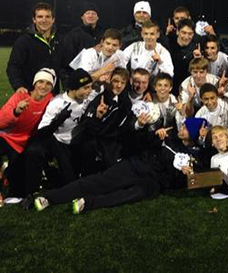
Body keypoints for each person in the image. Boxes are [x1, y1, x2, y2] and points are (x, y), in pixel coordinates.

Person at [33, 122, 200, 214]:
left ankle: (88, 203)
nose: (182, 127)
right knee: (99, 182)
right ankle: (49, 198)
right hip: (136, 165)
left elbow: (180, 183)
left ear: (193, 133)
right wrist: (155, 137)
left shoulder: (195, 155)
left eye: (186, 127)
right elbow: (140, 144)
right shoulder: (168, 136)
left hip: (153, 182)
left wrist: (184, 175)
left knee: (129, 195)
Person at [17, 69, 95, 199]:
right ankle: (34, 187)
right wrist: (58, 120)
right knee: (34, 151)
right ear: (74, 88)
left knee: (72, 180)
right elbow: (42, 133)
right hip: (58, 142)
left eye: (91, 87)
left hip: (76, 142)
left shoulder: (88, 99)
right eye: (86, 88)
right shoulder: (57, 103)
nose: (90, 91)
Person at [0, 68, 56, 189]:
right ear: (34, 84)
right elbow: (1, 121)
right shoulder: (20, 96)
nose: (43, 86)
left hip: (26, 143)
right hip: (8, 138)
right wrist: (16, 111)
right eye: (40, 82)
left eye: (48, 83)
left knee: (18, 185)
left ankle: (7, 172)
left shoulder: (51, 100)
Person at [77, 68, 133, 175]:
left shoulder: (126, 103)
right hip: (93, 138)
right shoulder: (100, 98)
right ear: (110, 80)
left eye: (122, 82)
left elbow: (121, 129)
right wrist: (97, 116)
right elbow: (86, 125)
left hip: (110, 141)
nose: (119, 85)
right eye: (116, 81)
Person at [6, 2, 60, 94]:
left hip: (53, 95)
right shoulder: (23, 41)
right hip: (31, 94)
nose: (44, 20)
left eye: (47, 17)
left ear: (53, 19)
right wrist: (19, 86)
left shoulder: (59, 40)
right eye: (40, 17)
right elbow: (13, 66)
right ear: (34, 20)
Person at [60, 2, 104, 82]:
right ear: (82, 17)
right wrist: (93, 51)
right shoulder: (73, 35)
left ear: (97, 17)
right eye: (87, 13)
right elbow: (67, 62)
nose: (90, 15)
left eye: (93, 13)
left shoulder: (104, 34)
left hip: (101, 78)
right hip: (79, 79)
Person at [167, 18, 198, 93]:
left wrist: (197, 61)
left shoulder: (195, 50)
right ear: (177, 31)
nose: (186, 37)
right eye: (183, 32)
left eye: (190, 33)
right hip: (167, 88)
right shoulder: (168, 44)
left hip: (185, 90)